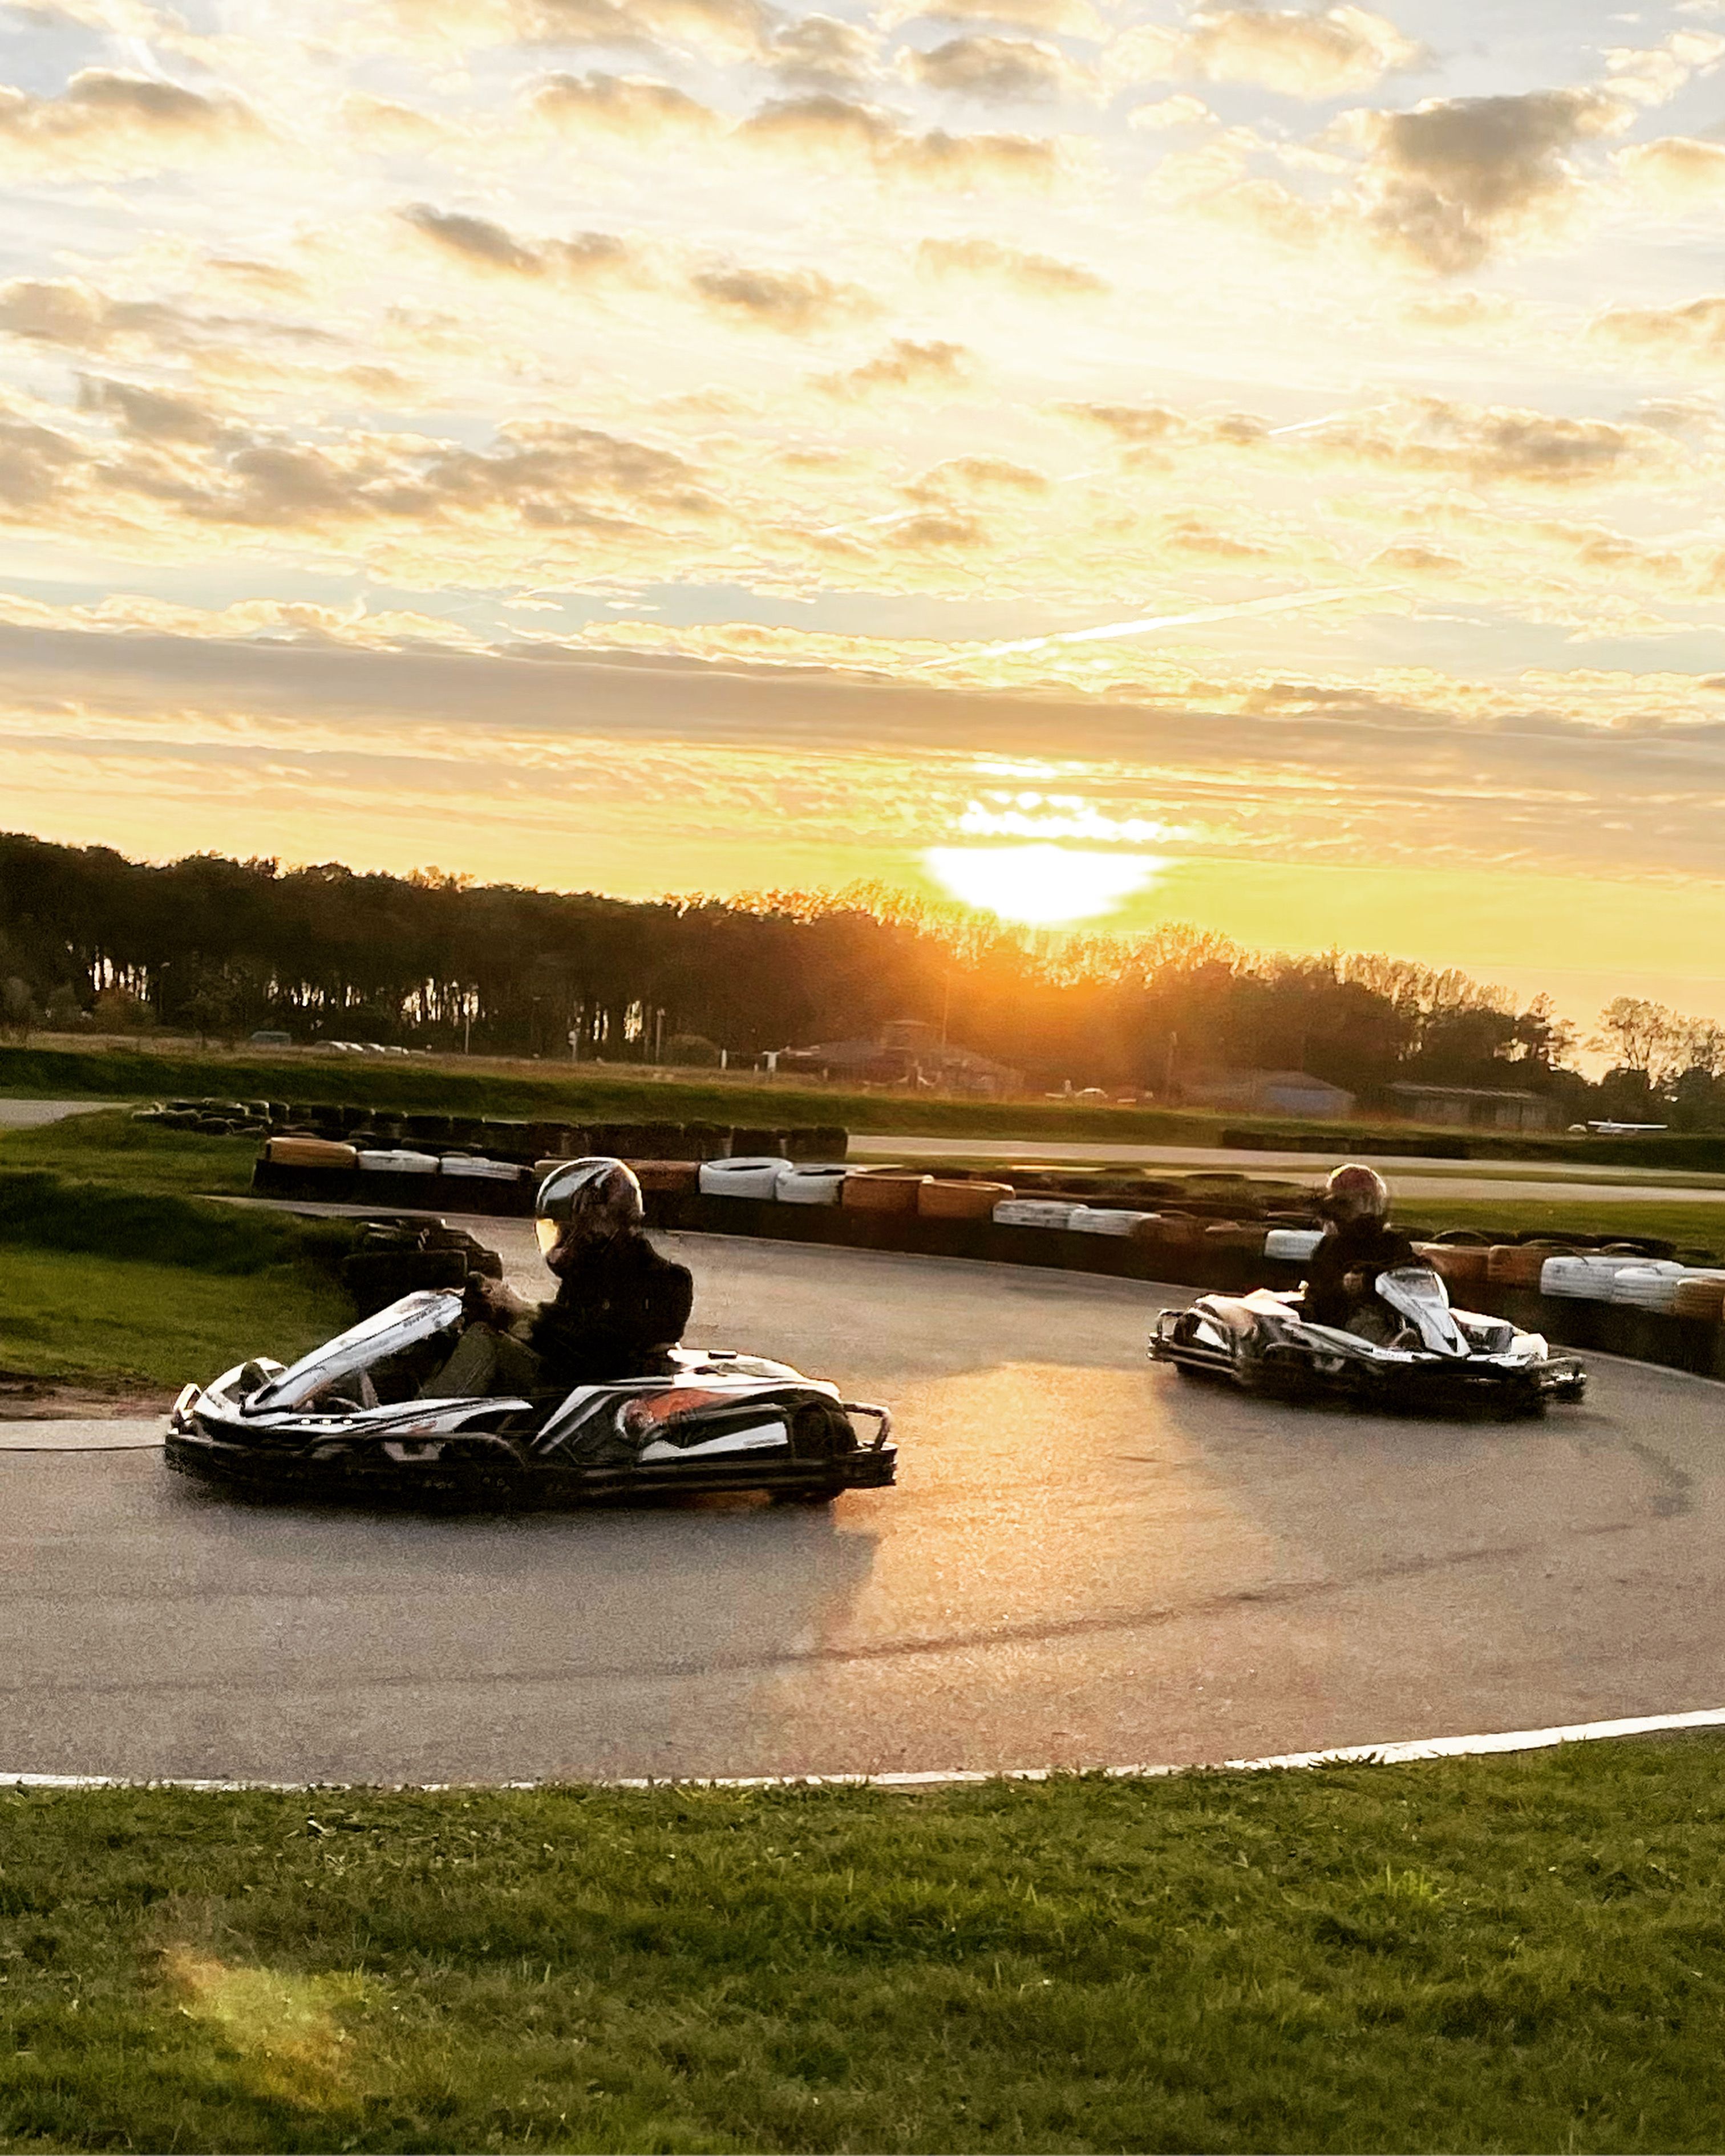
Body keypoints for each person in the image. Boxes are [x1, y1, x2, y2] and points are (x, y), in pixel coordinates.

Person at [422, 1156, 693, 1399]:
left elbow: (597, 1345)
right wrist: (499, 1311)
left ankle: (417, 1429)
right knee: (458, 1334)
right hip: (566, 1381)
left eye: (567, 1230)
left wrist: (522, 1312)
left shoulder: (668, 1281)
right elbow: (565, 1330)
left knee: (485, 1342)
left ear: (603, 1218)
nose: (561, 1243)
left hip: (583, 1395)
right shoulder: (590, 1273)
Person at [1302, 1163, 1419, 1337]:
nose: (1367, 1210)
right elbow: (1320, 1295)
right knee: (1366, 1322)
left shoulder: (1393, 1243)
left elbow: (1412, 1276)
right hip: (1345, 1328)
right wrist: (1345, 1286)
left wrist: (1369, 1279)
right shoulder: (1333, 1247)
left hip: (1394, 1318)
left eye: (1370, 1203)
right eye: (1359, 1203)